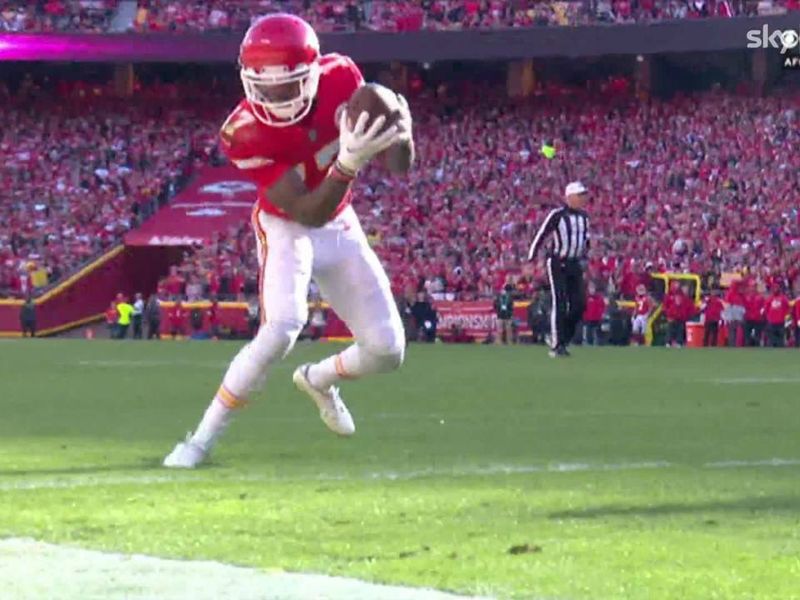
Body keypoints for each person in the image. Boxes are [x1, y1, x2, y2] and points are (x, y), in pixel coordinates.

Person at [164, 14, 413, 468]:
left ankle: (317, 379)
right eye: (267, 87)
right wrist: (349, 164)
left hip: (340, 223)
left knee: (387, 350)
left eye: (288, 85)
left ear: (314, 71)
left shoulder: (342, 77)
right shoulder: (242, 133)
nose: (276, 98)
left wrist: (401, 132)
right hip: (287, 225)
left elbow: (400, 166)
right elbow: (304, 210)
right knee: (281, 326)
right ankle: (200, 439)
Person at [527, 181, 590, 357]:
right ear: (569, 197)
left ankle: (562, 337)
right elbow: (541, 235)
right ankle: (557, 345)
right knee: (560, 302)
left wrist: (587, 257)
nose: (583, 199)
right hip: (558, 263)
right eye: (579, 195)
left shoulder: (584, 217)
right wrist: (531, 258)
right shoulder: (557, 215)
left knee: (580, 304)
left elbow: (585, 240)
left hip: (575, 263)